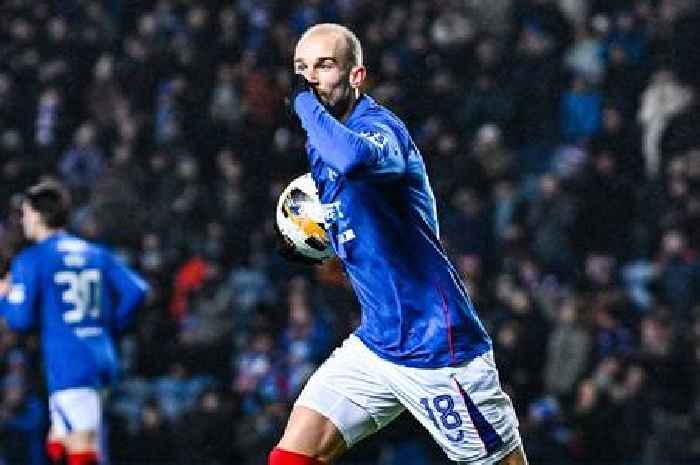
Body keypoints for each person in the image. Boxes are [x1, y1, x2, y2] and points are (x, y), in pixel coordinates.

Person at [271, 23, 528, 465]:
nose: (310, 78)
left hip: (438, 349)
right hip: (378, 343)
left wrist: (299, 101)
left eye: (324, 65)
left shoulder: (382, 130)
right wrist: (313, 238)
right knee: (292, 456)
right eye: (302, 69)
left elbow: (353, 161)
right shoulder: (322, 141)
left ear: (356, 76)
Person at [0, 180, 149, 465]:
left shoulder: (34, 258)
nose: (24, 220)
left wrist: (4, 298)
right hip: (100, 354)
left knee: (83, 448)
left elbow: (19, 319)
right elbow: (136, 291)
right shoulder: (94, 252)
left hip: (69, 360)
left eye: (27, 213)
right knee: (58, 441)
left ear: (39, 215)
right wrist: (108, 326)